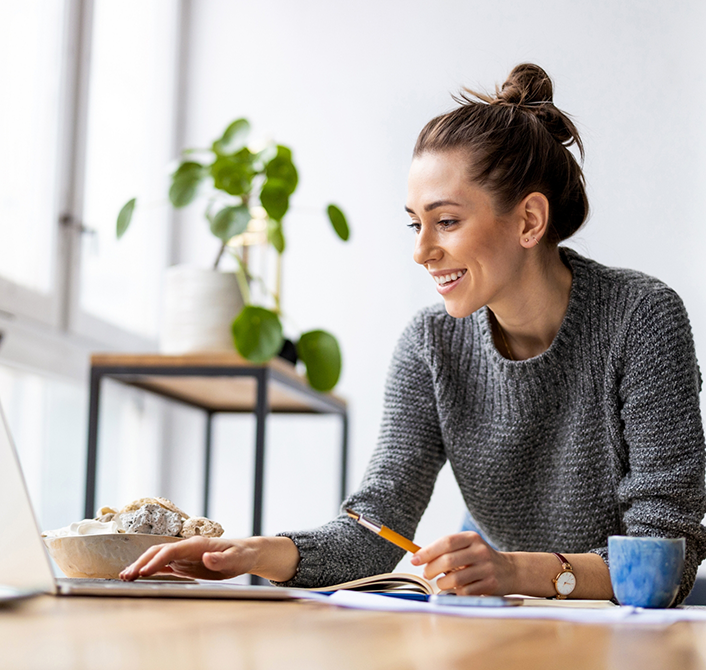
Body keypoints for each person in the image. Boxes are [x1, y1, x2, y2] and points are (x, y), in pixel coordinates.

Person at [121, 64, 706, 604]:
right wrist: (257, 553)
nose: (423, 251)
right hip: (504, 621)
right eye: (415, 223)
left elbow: (665, 559)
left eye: (446, 221)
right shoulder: (430, 345)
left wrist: (511, 570)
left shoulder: (640, 317)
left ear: (529, 220)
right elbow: (378, 527)